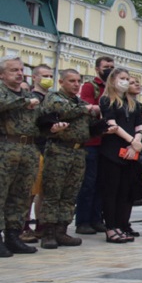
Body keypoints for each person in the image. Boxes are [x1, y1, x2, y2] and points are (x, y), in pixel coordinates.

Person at [35, 69, 101, 249]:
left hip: (78, 152)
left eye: (78, 81)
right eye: (72, 81)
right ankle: (48, 232)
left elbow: (87, 126)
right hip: (59, 150)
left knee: (70, 194)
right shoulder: (54, 97)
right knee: (53, 192)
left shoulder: (80, 102)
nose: (76, 84)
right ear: (62, 82)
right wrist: (87, 108)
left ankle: (62, 230)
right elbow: (63, 110)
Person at [0, 55, 43, 256]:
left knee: (20, 195)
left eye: (20, 70)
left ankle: (13, 235)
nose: (19, 73)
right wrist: (25, 102)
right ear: (2, 74)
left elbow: (39, 121)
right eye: (13, 70)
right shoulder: (7, 94)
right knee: (2, 194)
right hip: (6, 148)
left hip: (28, 149)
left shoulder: (28, 96)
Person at [97, 68, 142, 244]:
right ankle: (110, 227)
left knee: (124, 192)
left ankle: (120, 225)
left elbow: (139, 125)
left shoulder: (133, 103)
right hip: (112, 152)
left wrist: (136, 141)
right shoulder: (106, 100)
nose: (125, 81)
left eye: (127, 78)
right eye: (122, 78)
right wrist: (132, 140)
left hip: (130, 152)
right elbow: (112, 125)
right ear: (113, 80)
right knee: (111, 191)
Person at [75, 55, 114, 235]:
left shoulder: (113, 88)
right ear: (97, 69)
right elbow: (87, 108)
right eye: (106, 67)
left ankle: (97, 218)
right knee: (88, 182)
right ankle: (83, 220)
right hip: (92, 141)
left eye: (112, 67)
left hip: (108, 142)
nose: (109, 70)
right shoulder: (91, 87)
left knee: (102, 182)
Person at [21, 64, 53, 243]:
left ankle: (40, 224)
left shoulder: (51, 97)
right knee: (30, 190)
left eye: (50, 75)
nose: (48, 78)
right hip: (35, 147)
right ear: (34, 78)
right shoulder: (31, 98)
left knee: (44, 190)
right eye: (44, 75)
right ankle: (24, 225)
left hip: (50, 148)